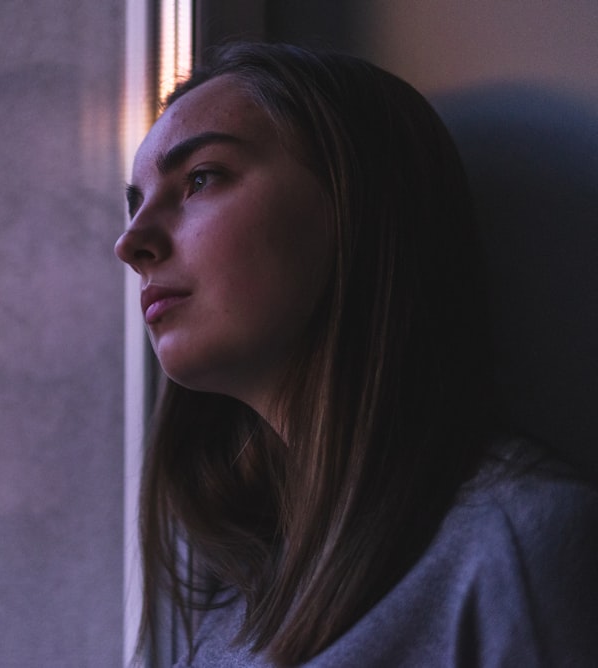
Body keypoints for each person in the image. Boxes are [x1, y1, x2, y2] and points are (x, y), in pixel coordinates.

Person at [114, 42, 598, 667]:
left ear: (352, 202)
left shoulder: (523, 552)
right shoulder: (229, 589)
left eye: (201, 178)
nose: (132, 243)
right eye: (136, 204)